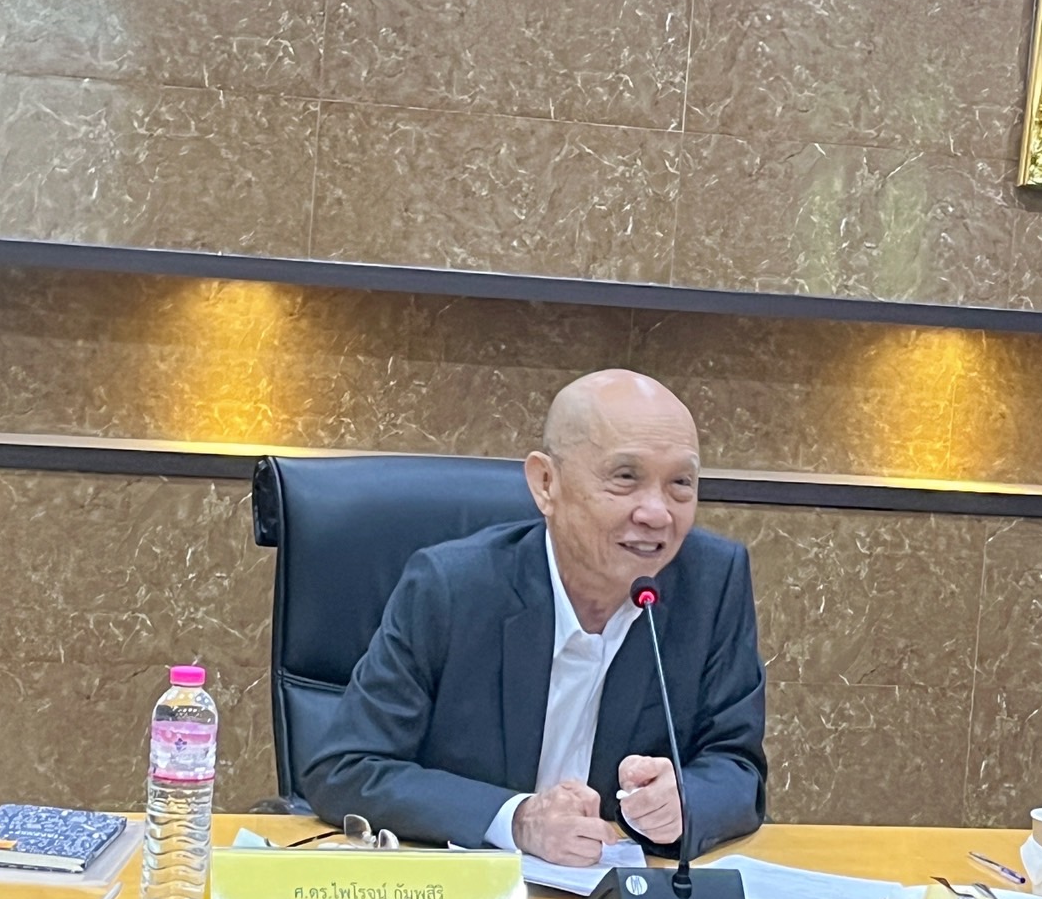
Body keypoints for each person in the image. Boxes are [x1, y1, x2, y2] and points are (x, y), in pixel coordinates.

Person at [300, 369, 767, 867]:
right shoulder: (452, 588)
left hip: (622, 894)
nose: (656, 513)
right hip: (470, 888)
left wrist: (684, 801)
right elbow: (346, 768)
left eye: (681, 484)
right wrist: (517, 819)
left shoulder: (712, 582)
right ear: (546, 483)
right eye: (625, 478)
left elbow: (737, 766)